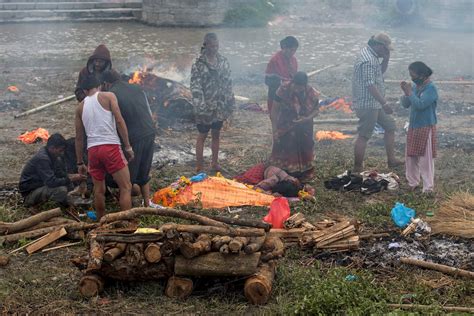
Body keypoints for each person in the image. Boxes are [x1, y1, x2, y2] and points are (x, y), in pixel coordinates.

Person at [75, 75, 134, 219]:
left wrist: (79, 162)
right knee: (126, 187)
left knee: (98, 190)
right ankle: (125, 222)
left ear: (83, 90)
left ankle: (101, 222)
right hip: (110, 146)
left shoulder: (80, 107)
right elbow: (119, 121)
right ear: (100, 85)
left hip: (93, 151)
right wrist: (128, 147)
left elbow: (79, 137)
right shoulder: (108, 96)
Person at [102, 70, 156, 207]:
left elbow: (116, 120)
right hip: (149, 131)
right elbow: (149, 111)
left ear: (106, 83)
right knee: (144, 171)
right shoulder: (136, 87)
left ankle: (127, 208)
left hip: (134, 136)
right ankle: (147, 205)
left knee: (128, 178)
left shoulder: (111, 94)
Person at [352, 33, 402, 172]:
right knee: (364, 134)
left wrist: (386, 60)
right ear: (379, 46)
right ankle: (357, 168)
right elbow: (370, 84)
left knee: (390, 126)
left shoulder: (373, 56)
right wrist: (384, 103)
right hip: (368, 104)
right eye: (386, 49)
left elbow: (378, 73)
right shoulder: (368, 59)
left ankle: (391, 160)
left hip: (375, 103)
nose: (387, 52)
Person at [190, 33, 235, 172]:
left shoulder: (223, 61)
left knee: (216, 133)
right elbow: (195, 86)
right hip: (205, 105)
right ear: (206, 45)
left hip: (220, 105)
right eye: (212, 45)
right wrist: (200, 106)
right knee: (202, 135)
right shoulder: (198, 63)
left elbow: (228, 82)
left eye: (217, 45)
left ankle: (214, 163)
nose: (215, 48)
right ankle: (199, 166)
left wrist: (230, 101)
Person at [270, 72, 319, 181]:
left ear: (305, 86)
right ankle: (284, 172)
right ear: (292, 82)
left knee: (305, 146)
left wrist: (307, 118)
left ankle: (304, 173)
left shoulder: (311, 93)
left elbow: (316, 110)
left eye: (300, 88)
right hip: (286, 123)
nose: (297, 90)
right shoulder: (283, 90)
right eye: (296, 86)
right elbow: (274, 110)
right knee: (286, 145)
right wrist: (274, 130)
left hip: (305, 125)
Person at [19, 133, 86, 208]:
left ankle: (67, 202)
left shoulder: (53, 155)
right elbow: (51, 182)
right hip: (30, 193)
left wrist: (74, 176)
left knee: (68, 185)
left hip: (41, 186)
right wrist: (70, 178)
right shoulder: (43, 159)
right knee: (61, 190)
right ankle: (56, 206)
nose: (62, 153)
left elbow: (60, 174)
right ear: (52, 148)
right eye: (60, 150)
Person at [400, 62, 438, 193]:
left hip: (425, 126)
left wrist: (410, 93)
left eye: (413, 75)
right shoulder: (416, 87)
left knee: (425, 159)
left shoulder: (431, 89)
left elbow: (421, 105)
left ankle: (428, 188)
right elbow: (405, 104)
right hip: (414, 126)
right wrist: (406, 93)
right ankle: (413, 182)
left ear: (422, 74)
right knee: (410, 156)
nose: (412, 78)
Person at [265, 36, 299, 115]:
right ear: (284, 48)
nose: (293, 53)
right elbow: (268, 80)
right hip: (276, 93)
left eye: (294, 50)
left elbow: (293, 76)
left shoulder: (294, 60)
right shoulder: (275, 60)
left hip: (289, 91)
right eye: (291, 50)